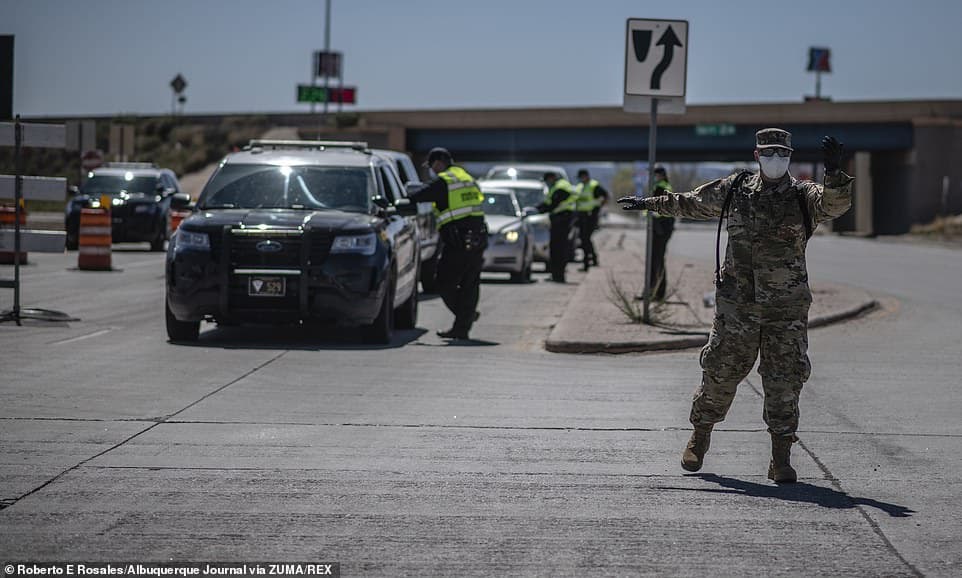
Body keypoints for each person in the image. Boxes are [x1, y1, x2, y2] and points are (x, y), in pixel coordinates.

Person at [617, 129, 852, 483]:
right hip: (737, 307)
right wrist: (650, 204)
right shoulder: (736, 190)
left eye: (782, 153)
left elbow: (835, 205)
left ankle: (781, 457)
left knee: (785, 380)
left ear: (789, 156)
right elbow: (691, 202)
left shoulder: (804, 195)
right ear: (757, 155)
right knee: (720, 373)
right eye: (769, 153)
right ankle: (701, 435)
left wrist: (834, 173)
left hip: (785, 310)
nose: (776, 159)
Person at [407, 147, 487, 340]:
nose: (432, 170)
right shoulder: (467, 178)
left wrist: (406, 198)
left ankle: (465, 316)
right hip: (477, 236)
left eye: (432, 165)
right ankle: (462, 327)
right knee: (470, 283)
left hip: (458, 240)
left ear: (438, 162)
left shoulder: (446, 181)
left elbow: (421, 195)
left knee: (444, 283)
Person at [537, 171, 577, 283]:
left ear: (551, 178)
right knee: (556, 248)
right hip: (559, 219)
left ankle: (558, 275)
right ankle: (556, 275)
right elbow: (549, 203)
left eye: (546, 180)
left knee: (558, 248)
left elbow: (554, 203)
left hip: (562, 219)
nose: (546, 183)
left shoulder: (561, 186)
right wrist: (538, 208)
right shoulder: (555, 188)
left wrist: (542, 209)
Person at [648, 166, 675, 299]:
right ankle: (653, 291)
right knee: (655, 260)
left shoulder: (661, 187)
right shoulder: (659, 186)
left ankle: (658, 292)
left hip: (661, 228)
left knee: (657, 260)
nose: (655, 177)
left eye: (656, 175)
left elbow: (659, 209)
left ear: (662, 175)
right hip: (660, 227)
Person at [574, 169, 609, 271]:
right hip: (581, 216)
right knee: (585, 239)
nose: (581, 179)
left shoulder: (594, 186)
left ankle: (587, 263)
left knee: (585, 238)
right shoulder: (580, 187)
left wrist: (597, 209)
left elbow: (605, 196)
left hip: (590, 216)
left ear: (586, 176)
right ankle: (593, 259)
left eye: (582, 177)